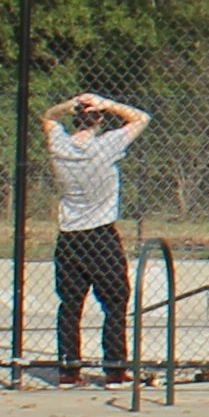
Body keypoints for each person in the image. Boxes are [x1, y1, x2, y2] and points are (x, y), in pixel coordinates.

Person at [43, 88, 149, 387]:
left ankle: (68, 369)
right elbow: (141, 119)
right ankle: (115, 368)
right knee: (115, 301)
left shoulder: (59, 146)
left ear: (75, 120)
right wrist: (108, 104)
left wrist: (69, 103)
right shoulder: (106, 147)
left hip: (69, 236)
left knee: (70, 304)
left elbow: (49, 117)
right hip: (101, 234)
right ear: (98, 120)